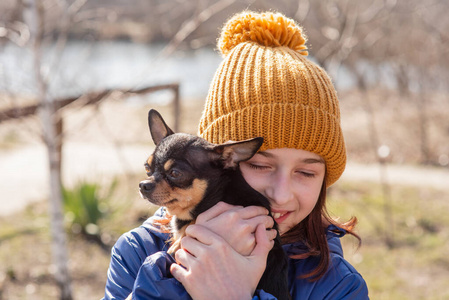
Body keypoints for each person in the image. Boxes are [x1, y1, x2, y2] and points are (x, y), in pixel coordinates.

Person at [103, 10, 369, 300]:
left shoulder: (337, 285)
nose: (280, 195)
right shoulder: (138, 253)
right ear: (218, 161)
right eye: (258, 164)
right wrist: (172, 275)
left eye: (306, 173)